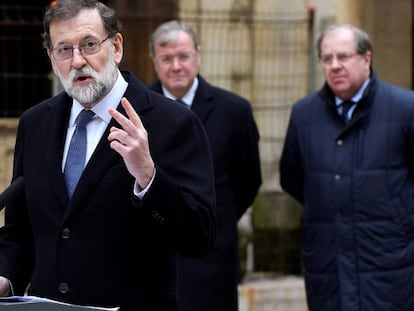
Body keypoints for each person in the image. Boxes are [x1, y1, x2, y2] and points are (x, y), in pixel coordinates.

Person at [0, 1, 216, 310]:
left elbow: (199, 237)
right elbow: (20, 232)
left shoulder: (173, 123)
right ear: (51, 59)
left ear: (115, 47)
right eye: (64, 49)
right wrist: (5, 275)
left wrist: (149, 177)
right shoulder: (36, 123)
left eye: (89, 45)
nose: (77, 61)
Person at [280, 22, 414, 310]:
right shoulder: (304, 114)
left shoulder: (406, 108)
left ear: (367, 59)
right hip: (327, 262)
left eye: (344, 56)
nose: (335, 66)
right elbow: (292, 177)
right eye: (327, 59)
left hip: (390, 261)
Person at [148, 20, 262, 311]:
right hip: (149, 254)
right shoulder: (133, 109)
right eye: (167, 58)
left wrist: (211, 219)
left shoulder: (234, 111)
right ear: (154, 61)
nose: (176, 66)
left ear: (198, 55)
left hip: (212, 255)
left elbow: (248, 180)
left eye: (183, 56)